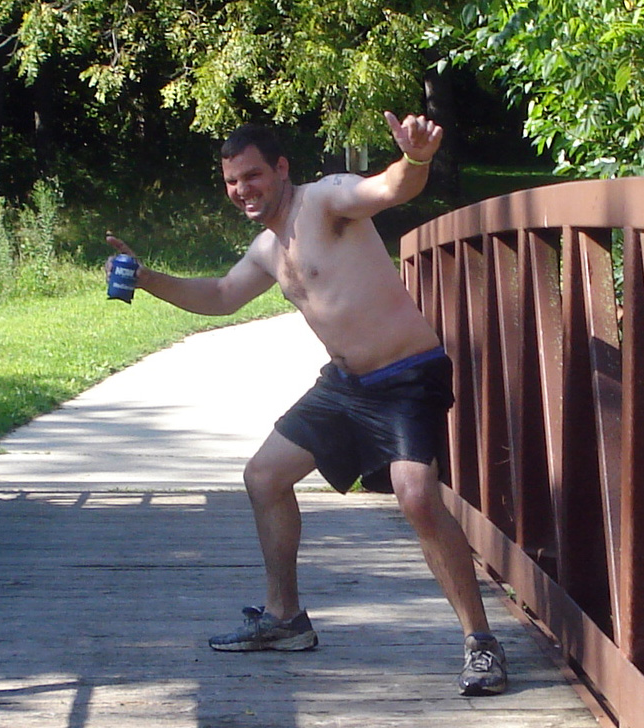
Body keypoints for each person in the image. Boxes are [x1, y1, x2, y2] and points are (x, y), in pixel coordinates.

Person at [105, 112, 507, 696]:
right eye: (231, 181)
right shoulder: (268, 249)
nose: (242, 190)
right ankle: (285, 618)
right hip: (345, 386)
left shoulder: (325, 200)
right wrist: (146, 278)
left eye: (252, 176)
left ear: (281, 169)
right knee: (264, 476)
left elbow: (389, 188)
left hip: (406, 377)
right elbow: (220, 295)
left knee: (417, 496)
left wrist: (415, 158)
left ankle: (481, 643)